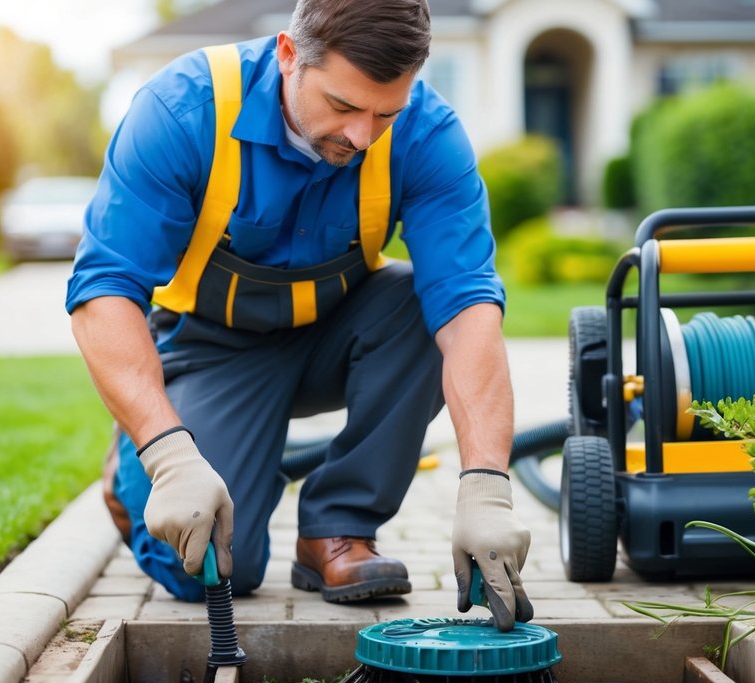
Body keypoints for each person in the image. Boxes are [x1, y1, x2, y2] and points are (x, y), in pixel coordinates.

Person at [66, 0, 534, 631]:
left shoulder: (427, 135)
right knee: (212, 565)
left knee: (420, 304)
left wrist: (487, 486)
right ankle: (136, 462)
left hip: (334, 338)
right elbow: (104, 289)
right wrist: (169, 458)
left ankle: (336, 530)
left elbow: (469, 307)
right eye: (343, 106)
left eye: (385, 112)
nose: (363, 135)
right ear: (289, 54)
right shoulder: (183, 111)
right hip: (211, 350)